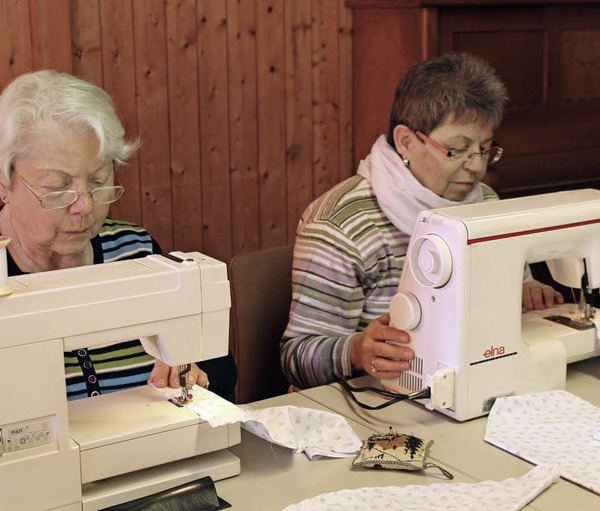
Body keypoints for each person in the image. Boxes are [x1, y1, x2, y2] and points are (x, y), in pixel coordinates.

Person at [281, 53, 564, 390]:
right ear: (406, 141)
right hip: (369, 404)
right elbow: (295, 359)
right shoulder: (341, 227)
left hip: (469, 386)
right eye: (456, 150)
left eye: (485, 149)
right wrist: (356, 351)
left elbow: (511, 302)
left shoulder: (485, 204)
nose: (476, 166)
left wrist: (526, 292)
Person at [0, 70, 237, 400]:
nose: (84, 205)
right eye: (57, 187)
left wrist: (195, 370)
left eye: (98, 180)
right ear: (5, 185)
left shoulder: (133, 249)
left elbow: (219, 365)